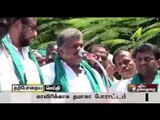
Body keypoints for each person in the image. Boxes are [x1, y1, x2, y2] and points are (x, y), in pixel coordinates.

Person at [41, 28, 107, 92]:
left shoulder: (93, 73)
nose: (79, 49)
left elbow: (104, 98)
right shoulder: (47, 71)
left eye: (81, 46)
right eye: (74, 46)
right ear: (61, 51)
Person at [0, 18, 44, 91]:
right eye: (32, 28)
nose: (35, 34)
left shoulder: (30, 55)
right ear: (18, 25)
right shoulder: (3, 54)